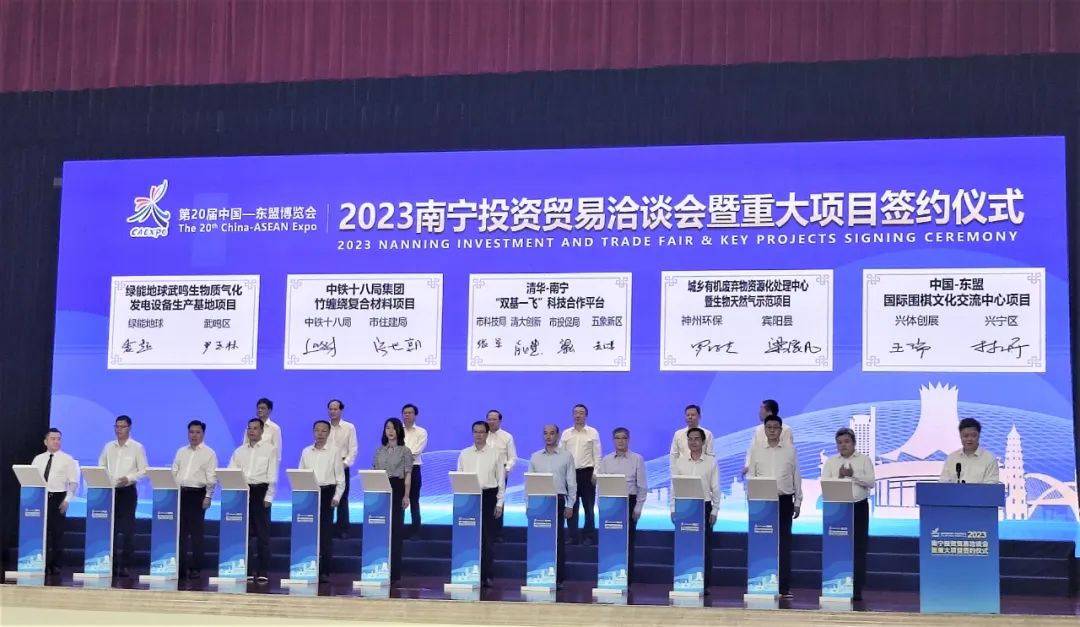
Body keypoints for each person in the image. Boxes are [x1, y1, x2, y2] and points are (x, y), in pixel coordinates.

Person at [746, 415, 802, 598]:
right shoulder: (756, 450)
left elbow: (796, 476)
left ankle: (783, 587)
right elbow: (752, 476)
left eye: (775, 427)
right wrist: (751, 499)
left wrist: (798, 501)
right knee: (761, 543)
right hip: (762, 502)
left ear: (781, 430)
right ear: (764, 429)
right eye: (768, 427)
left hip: (784, 500)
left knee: (783, 544)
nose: (772, 430)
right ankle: (759, 584)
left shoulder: (790, 450)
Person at [821, 427, 875, 601]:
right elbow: (824, 484)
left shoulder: (864, 460)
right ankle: (834, 585)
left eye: (846, 442)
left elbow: (871, 482)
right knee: (836, 547)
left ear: (854, 443)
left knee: (858, 548)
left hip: (858, 507)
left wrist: (853, 475)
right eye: (839, 443)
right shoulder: (831, 462)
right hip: (836, 509)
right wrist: (839, 477)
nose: (843, 445)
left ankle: (856, 588)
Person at [228, 417, 278, 584]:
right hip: (243, 492)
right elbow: (230, 472)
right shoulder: (239, 451)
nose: (251, 431)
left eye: (255, 428)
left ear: (262, 431)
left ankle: (262, 571)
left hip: (260, 492)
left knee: (262, 535)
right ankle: (247, 570)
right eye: (249, 428)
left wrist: (269, 496)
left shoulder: (270, 450)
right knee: (244, 533)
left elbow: (272, 475)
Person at [98, 415, 148, 578]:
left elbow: (144, 470)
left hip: (127, 492)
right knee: (110, 529)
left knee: (127, 530)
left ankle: (125, 565)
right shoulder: (108, 447)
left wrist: (129, 478)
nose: (119, 430)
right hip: (110, 492)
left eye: (122, 427)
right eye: (117, 427)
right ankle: (110, 564)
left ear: (129, 428)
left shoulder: (137, 447)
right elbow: (101, 466)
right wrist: (106, 478)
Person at [456, 420, 505, 587]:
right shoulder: (464, 454)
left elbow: (501, 480)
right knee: (468, 537)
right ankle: (467, 572)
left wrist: (499, 503)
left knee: (487, 538)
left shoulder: (496, 453)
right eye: (475, 432)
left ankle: (486, 575)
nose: (478, 435)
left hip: (489, 496)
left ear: (487, 434)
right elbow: (459, 477)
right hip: (469, 498)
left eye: (481, 432)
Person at [670, 427, 719, 591]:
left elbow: (716, 487)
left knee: (704, 547)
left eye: (697, 439)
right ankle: (683, 581)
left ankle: (703, 584)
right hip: (684, 507)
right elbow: (674, 486)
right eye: (690, 439)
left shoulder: (711, 461)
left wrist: (715, 510)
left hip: (704, 506)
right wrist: (673, 507)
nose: (693, 442)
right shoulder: (680, 461)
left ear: (703, 442)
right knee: (685, 545)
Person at [527, 424, 576, 583]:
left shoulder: (566, 456)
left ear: (557, 435)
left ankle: (558, 578)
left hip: (558, 500)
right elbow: (529, 482)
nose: (548, 436)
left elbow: (571, 482)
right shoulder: (535, 457)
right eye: (545, 433)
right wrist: (528, 504)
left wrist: (570, 504)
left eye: (552, 433)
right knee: (539, 539)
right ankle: (537, 575)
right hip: (538, 502)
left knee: (557, 540)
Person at [597, 426, 647, 581]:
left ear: (628, 440)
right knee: (610, 541)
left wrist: (638, 507)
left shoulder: (637, 459)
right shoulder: (606, 460)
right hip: (610, 503)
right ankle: (608, 576)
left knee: (627, 542)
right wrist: (600, 505)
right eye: (617, 438)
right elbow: (601, 485)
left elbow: (642, 486)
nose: (620, 441)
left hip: (629, 502)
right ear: (613, 440)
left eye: (624, 438)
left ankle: (626, 578)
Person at [300, 419, 345, 582]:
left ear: (329, 433)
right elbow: (300, 474)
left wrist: (337, 497)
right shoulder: (306, 452)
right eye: (317, 430)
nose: (320, 433)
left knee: (325, 534)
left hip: (327, 493)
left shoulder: (334, 452)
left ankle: (324, 571)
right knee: (308, 532)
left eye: (323, 430)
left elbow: (340, 478)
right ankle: (306, 567)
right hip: (309, 494)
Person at [171, 420, 217, 579]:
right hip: (181, 494)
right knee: (180, 533)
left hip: (198, 495)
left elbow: (212, 478)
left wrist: (208, 496)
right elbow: (174, 471)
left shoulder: (209, 453)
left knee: (196, 533)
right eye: (191, 432)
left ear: (203, 434)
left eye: (197, 432)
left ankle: (196, 567)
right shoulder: (181, 452)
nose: (194, 435)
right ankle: (180, 567)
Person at [32, 428, 80, 576]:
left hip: (58, 497)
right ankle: (42, 563)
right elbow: (31, 478)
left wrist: (67, 500)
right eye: (53, 439)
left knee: (57, 533)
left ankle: (56, 565)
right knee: (41, 532)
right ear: (45, 441)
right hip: (41, 497)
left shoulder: (67, 459)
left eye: (59, 439)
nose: (56, 441)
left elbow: (73, 482)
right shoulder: (38, 459)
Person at [372, 417, 413, 583]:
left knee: (395, 531)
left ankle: (394, 572)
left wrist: (406, 495)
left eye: (393, 428)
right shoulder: (379, 451)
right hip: (380, 489)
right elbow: (374, 471)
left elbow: (408, 475)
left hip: (397, 489)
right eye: (387, 427)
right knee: (380, 529)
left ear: (399, 431)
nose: (390, 431)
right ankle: (378, 567)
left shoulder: (405, 451)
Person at [559, 403, 601, 545]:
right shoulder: (566, 434)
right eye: (575, 412)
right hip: (570, 474)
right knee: (571, 506)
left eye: (581, 412)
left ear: (586, 415)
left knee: (589, 507)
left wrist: (596, 473)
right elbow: (561, 455)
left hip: (587, 474)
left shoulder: (593, 433)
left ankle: (589, 536)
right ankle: (573, 536)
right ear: (572, 415)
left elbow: (597, 455)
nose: (578, 415)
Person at [326, 399, 357, 539]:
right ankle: (327, 528)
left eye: (335, 409)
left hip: (342, 464)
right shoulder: (324, 427)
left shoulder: (349, 427)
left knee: (342, 497)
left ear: (341, 410)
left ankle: (343, 529)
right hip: (326, 466)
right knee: (327, 496)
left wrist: (345, 463)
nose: (332, 411)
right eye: (330, 409)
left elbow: (353, 448)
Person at [486, 409, 517, 542]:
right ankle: (486, 532)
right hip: (484, 474)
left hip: (500, 474)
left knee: (499, 502)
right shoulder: (483, 435)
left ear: (500, 421)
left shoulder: (507, 437)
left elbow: (512, 457)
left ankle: (498, 533)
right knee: (486, 503)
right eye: (489, 419)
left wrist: (507, 469)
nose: (491, 422)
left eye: (494, 419)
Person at [939, 417, 1000, 484]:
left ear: (979, 436)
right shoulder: (952, 457)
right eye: (965, 436)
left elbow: (991, 485)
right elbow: (943, 483)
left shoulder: (989, 458)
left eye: (973, 435)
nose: (969, 439)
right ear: (960, 436)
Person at [742, 399, 794, 476]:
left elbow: (789, 453)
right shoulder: (759, 430)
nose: (759, 412)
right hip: (761, 473)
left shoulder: (786, 430)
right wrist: (747, 465)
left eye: (761, 409)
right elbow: (752, 450)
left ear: (769, 412)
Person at [402, 403, 427, 539]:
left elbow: (417, 451)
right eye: (405, 413)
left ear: (415, 415)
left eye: (410, 413)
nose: (407, 415)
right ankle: (397, 529)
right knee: (398, 499)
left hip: (414, 467)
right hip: (397, 468)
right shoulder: (397, 430)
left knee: (414, 499)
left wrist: (401, 455)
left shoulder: (421, 432)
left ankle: (416, 530)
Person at [670, 404, 714, 471]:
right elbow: (674, 455)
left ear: (699, 417)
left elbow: (710, 455)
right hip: (683, 472)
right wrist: (674, 472)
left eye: (693, 415)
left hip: (701, 471)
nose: (690, 417)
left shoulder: (707, 434)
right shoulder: (678, 434)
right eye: (687, 415)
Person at [255, 397, 283, 462]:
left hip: (266, 464)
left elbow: (277, 452)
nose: (259, 410)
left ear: (269, 410)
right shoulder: (250, 427)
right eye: (258, 408)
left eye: (262, 408)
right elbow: (245, 446)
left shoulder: (275, 428)